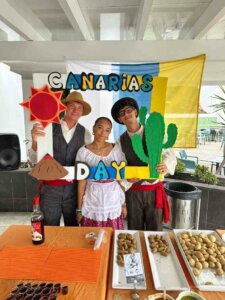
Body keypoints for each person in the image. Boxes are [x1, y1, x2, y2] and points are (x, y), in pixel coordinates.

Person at [111, 97, 177, 231]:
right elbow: (120, 164)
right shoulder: (120, 141)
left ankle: (154, 252)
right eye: (122, 113)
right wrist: (126, 178)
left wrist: (165, 165)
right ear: (120, 120)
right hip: (134, 191)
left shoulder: (154, 133)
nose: (126, 115)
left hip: (153, 189)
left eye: (128, 110)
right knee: (134, 228)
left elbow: (170, 153)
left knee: (155, 229)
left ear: (135, 112)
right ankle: (137, 252)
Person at [29, 91, 92, 226]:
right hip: (50, 189)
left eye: (79, 107)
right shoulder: (48, 127)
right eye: (72, 106)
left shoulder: (86, 133)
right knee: (50, 227)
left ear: (82, 112)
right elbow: (35, 159)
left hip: (73, 190)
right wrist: (34, 141)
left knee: (73, 228)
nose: (75, 110)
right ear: (64, 108)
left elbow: (87, 162)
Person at [75, 117, 127, 229]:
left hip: (113, 200)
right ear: (93, 128)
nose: (103, 132)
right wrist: (79, 210)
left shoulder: (116, 149)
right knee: (91, 238)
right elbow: (81, 182)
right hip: (92, 200)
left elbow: (120, 179)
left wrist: (123, 204)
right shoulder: (83, 152)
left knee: (112, 238)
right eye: (100, 128)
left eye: (107, 130)